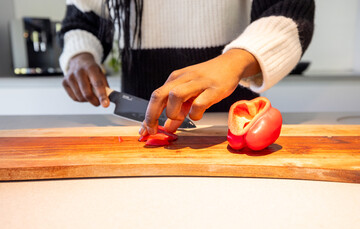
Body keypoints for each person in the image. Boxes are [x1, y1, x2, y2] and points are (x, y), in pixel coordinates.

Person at [59, 0, 315, 136]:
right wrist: (79, 54)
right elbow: (83, 17)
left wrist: (234, 61)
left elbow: (290, 11)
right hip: (136, 119)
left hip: (230, 120)